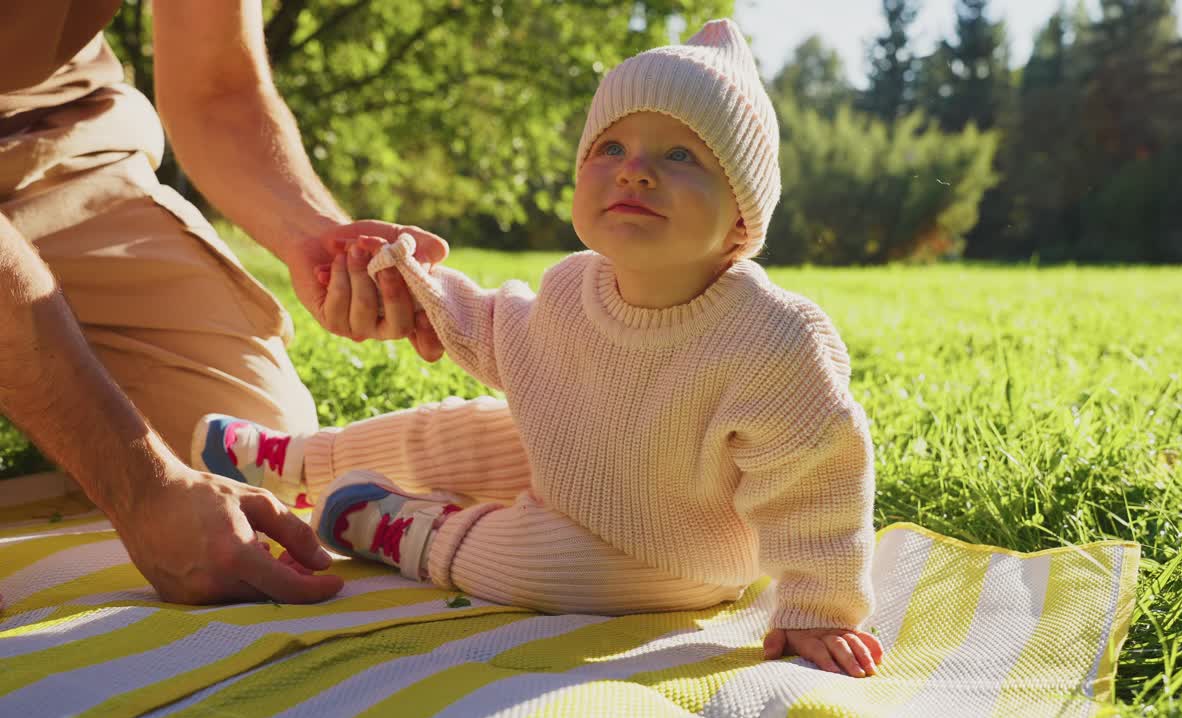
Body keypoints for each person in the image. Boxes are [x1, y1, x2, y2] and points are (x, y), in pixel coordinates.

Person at [194, 19, 883, 677]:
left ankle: (404, 529)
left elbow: (815, 481)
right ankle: (301, 460)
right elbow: (500, 328)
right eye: (611, 148)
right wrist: (418, 286)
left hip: (668, 549)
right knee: (457, 431)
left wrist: (819, 608)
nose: (635, 170)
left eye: (680, 155)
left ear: (742, 216)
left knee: (554, 564)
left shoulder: (772, 340)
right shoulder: (573, 286)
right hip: (575, 461)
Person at [0, 1, 446, 605]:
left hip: (61, 146)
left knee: (255, 451)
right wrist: (142, 488)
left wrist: (311, 235)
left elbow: (221, 87)